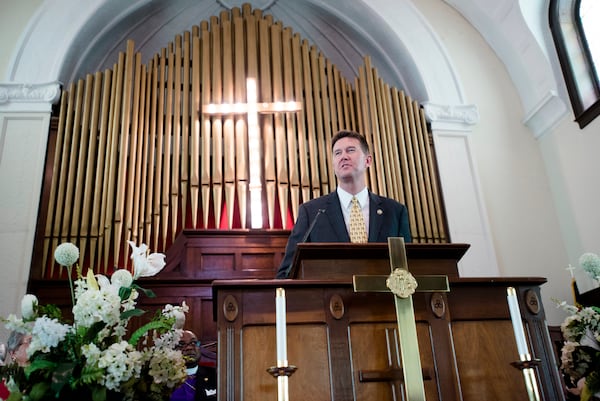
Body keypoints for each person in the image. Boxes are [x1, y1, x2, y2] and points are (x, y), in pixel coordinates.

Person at [276, 130, 412, 278]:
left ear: (368, 160)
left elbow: (408, 267)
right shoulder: (311, 212)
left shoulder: (395, 211)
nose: (344, 157)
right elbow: (287, 273)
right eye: (337, 153)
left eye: (351, 150)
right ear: (334, 165)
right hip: (330, 299)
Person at [170, 330, 216, 401]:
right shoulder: (163, 378)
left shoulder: (215, 375)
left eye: (193, 343)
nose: (189, 348)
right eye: (181, 344)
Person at [0, 331, 31, 400]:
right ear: (13, 353)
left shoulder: (48, 375)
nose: (35, 346)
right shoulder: (4, 386)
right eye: (29, 342)